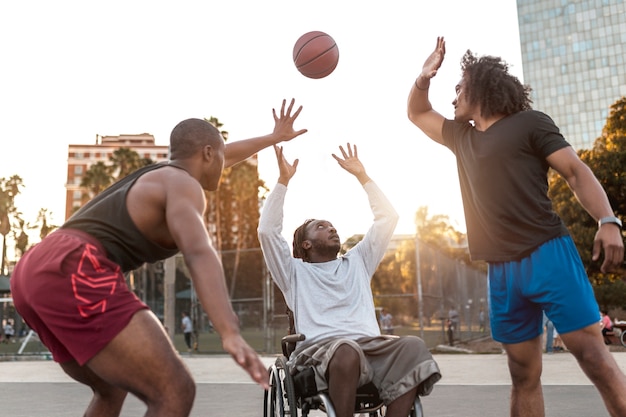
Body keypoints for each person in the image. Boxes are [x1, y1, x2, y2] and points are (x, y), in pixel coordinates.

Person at [10, 99, 307, 417]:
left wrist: (273, 138)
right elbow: (198, 251)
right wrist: (229, 331)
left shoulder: (163, 175)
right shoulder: (183, 184)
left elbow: (224, 152)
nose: (226, 163)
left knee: (111, 387)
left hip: (32, 270)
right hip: (74, 266)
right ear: (207, 154)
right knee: (174, 389)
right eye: (219, 156)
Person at [407, 36, 626, 416]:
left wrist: (607, 219)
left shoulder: (530, 124)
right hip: (501, 269)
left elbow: (575, 172)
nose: (453, 96)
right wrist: (424, 77)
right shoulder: (462, 138)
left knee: (593, 357)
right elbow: (417, 112)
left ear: (480, 87)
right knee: (523, 374)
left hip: (548, 254)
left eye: (458, 87)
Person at [258, 144, 441, 417]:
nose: (331, 228)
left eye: (331, 225)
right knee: (346, 350)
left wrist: (363, 177)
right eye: (321, 227)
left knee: (412, 346)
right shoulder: (293, 272)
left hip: (371, 349)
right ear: (306, 244)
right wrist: (283, 181)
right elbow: (267, 231)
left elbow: (387, 218)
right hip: (322, 351)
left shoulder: (358, 262)